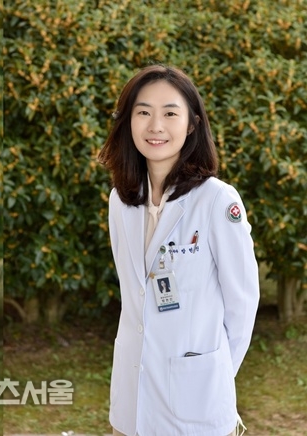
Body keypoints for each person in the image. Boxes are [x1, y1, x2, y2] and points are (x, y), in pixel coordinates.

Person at [97, 64, 259, 436]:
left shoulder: (217, 200)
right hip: (132, 400)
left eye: (170, 113)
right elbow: (133, 294)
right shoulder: (121, 201)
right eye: (143, 112)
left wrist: (212, 376)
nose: (155, 126)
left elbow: (243, 303)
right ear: (128, 121)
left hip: (197, 404)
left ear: (191, 125)